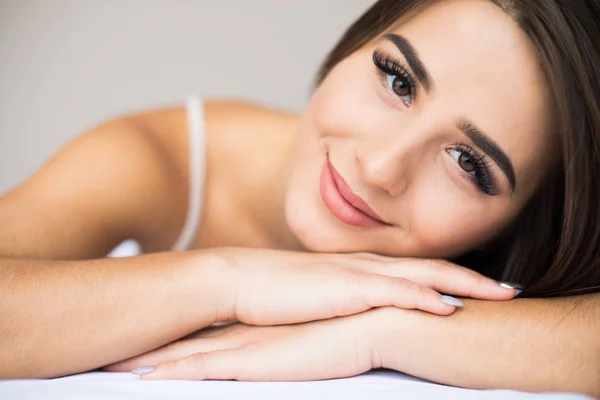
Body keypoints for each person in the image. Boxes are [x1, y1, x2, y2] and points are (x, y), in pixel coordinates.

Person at [1, 0, 599, 396]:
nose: (381, 165)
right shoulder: (160, 160)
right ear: (354, 43)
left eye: (469, 162)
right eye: (398, 80)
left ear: (521, 224)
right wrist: (228, 280)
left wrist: (389, 332)